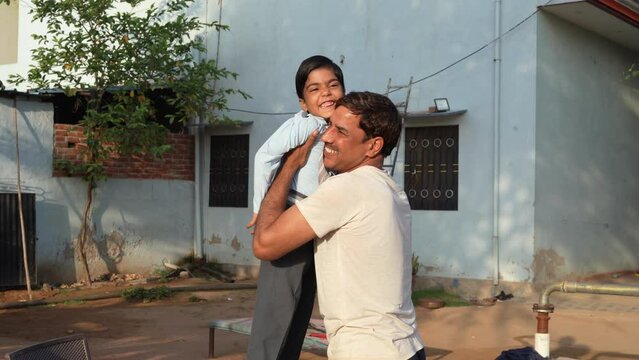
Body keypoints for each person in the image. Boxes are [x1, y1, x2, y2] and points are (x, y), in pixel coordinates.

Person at [253, 91, 426, 360]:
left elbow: (265, 244)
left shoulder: (347, 188)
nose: (326, 137)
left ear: (373, 146)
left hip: (368, 351)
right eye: (329, 125)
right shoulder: (392, 190)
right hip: (406, 346)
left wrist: (288, 166)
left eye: (341, 131)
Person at [246, 55, 345, 360]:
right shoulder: (308, 125)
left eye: (333, 85)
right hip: (293, 214)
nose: (326, 93)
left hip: (317, 222)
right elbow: (264, 157)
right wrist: (259, 209)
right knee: (278, 308)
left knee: (301, 306)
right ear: (303, 102)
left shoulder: (335, 127)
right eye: (314, 89)